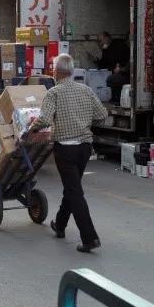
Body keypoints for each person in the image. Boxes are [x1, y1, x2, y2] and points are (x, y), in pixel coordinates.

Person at [29, 53, 107, 253]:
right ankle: (60, 224)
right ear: (71, 71)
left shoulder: (54, 92)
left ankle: (90, 238)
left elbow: (44, 119)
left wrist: (30, 129)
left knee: (74, 191)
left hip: (66, 148)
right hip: (84, 148)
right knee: (72, 188)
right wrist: (85, 122)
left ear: (56, 72)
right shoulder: (86, 90)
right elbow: (102, 116)